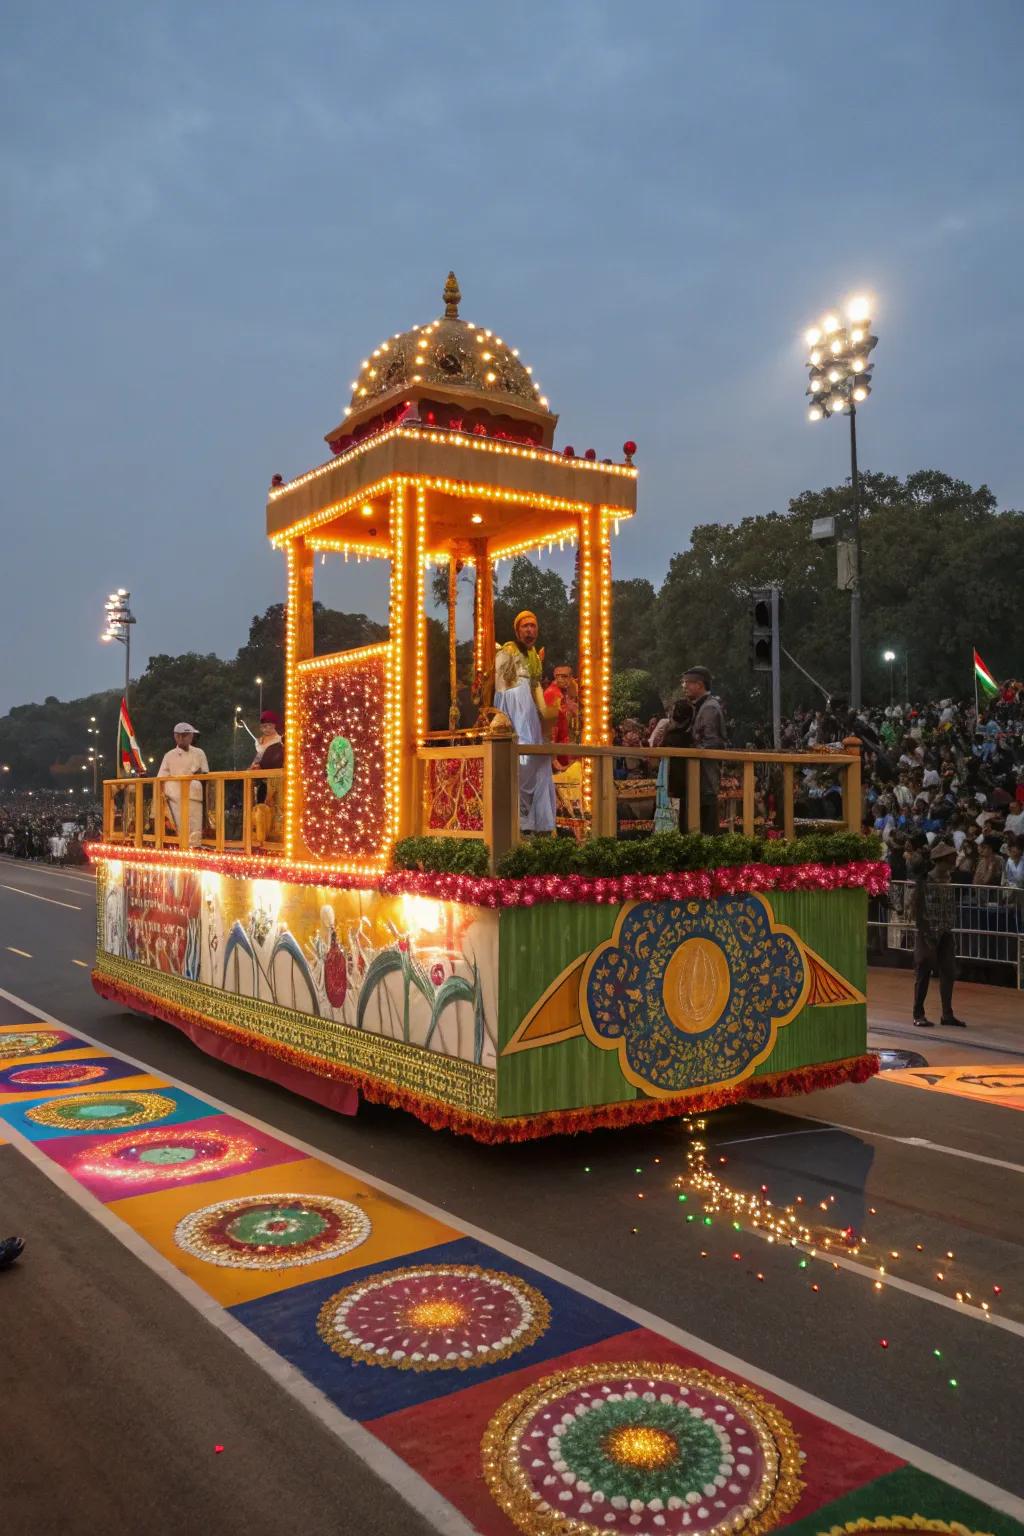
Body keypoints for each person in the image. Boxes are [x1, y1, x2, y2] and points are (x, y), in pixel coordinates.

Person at [494, 611, 558, 833]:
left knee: (538, 759)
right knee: (520, 758)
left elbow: (536, 686)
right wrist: (503, 716)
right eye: (525, 627)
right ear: (517, 630)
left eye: (533, 626)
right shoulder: (507, 650)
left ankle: (537, 822)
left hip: (530, 712)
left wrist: (546, 712)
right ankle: (518, 819)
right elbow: (501, 688)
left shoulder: (534, 656)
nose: (530, 630)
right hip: (512, 707)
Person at [909, 840, 966, 1028]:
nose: (952, 864)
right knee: (923, 971)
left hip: (945, 931)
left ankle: (947, 1014)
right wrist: (924, 930)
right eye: (950, 860)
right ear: (940, 861)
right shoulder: (924, 881)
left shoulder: (948, 880)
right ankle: (918, 1013)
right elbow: (916, 907)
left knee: (948, 971)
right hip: (928, 931)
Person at [682, 666, 727, 835]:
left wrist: (691, 750)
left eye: (688, 683)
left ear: (699, 684)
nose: (685, 687)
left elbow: (712, 742)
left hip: (705, 774)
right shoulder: (701, 706)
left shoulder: (709, 708)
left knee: (707, 821)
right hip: (699, 774)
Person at [157, 723, 209, 848]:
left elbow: (205, 774)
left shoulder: (199, 753)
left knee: (196, 830)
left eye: (187, 735)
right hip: (175, 799)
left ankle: (195, 854)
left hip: (196, 797)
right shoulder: (169, 756)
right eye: (179, 736)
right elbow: (160, 780)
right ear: (176, 737)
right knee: (180, 830)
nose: (183, 738)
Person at [251, 710, 285, 846]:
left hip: (276, 778)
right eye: (264, 726)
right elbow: (258, 758)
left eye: (269, 726)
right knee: (261, 804)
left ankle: (276, 835)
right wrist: (252, 767)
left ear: (275, 726)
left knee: (276, 806)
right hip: (262, 778)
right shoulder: (259, 741)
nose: (267, 729)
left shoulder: (280, 740)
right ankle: (262, 835)